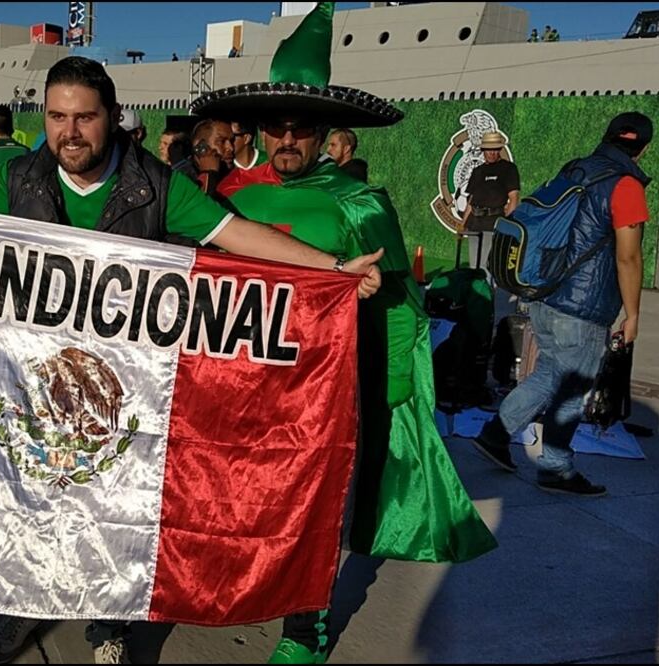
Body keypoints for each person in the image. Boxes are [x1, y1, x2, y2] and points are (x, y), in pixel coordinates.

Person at [0, 54, 385, 665]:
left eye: (85, 117)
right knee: (25, 500)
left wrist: (333, 269)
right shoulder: (17, 179)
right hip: (30, 382)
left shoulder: (155, 185)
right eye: (56, 116)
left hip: (120, 389)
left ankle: (109, 629)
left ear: (112, 117)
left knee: (110, 511)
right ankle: (21, 607)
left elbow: (235, 234)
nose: (70, 132)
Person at [193, 3, 496, 662]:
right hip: (244, 387)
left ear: (325, 131)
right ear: (258, 131)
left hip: (327, 396)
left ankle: (306, 629)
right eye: (275, 128)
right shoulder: (230, 198)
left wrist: (385, 384)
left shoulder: (360, 204)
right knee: (243, 504)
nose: (288, 140)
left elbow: (394, 298)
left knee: (312, 512)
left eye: (301, 128)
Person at [470, 112, 654, 497]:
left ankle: (495, 435)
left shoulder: (576, 170)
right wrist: (633, 315)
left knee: (549, 374)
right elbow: (629, 258)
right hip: (582, 307)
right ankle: (555, 466)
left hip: (546, 294)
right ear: (643, 149)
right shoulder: (626, 185)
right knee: (573, 386)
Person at [461, 130, 519, 274]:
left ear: (500, 149)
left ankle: (487, 295)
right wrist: (462, 224)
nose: (492, 153)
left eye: (495, 149)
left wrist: (507, 224)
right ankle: (475, 295)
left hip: (493, 224)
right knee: (473, 267)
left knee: (485, 268)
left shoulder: (509, 168)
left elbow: (514, 198)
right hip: (474, 223)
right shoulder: (478, 171)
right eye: (489, 149)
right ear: (483, 150)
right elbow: (471, 200)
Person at [189, 118, 235, 201]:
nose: (230, 148)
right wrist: (208, 174)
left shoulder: (235, 176)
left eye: (232, 141)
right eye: (221, 141)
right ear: (201, 147)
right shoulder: (184, 179)